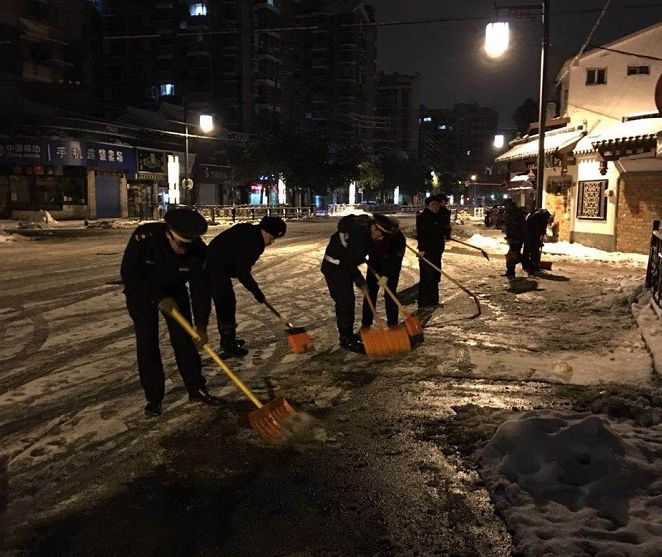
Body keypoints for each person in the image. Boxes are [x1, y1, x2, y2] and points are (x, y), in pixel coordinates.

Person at [120, 208, 221, 417]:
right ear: (169, 234)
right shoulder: (144, 238)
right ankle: (154, 398)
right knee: (147, 342)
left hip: (175, 289)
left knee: (185, 339)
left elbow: (201, 290)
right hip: (142, 292)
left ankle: (196, 388)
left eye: (188, 245)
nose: (184, 250)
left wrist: (201, 326)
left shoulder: (197, 251)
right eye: (181, 244)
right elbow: (130, 273)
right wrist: (157, 297)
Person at [206, 215, 286, 357]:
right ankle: (228, 345)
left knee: (227, 302)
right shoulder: (253, 244)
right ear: (264, 231)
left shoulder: (249, 232)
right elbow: (243, 272)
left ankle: (228, 340)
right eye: (272, 237)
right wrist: (257, 293)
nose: (272, 242)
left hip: (216, 265)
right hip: (213, 269)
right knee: (225, 303)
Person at [321, 213, 400, 353]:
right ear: (374, 228)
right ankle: (346, 338)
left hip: (344, 264)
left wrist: (383, 274)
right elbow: (349, 262)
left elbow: (355, 256)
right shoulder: (359, 237)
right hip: (335, 267)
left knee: (348, 301)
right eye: (381, 234)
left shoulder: (366, 231)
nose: (381, 238)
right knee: (345, 301)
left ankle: (347, 335)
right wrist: (361, 282)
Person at [361, 227, 406, 329]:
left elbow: (396, 259)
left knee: (390, 293)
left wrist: (386, 276)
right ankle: (366, 324)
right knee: (370, 293)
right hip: (374, 265)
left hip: (391, 265)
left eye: (374, 232)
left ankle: (393, 324)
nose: (371, 234)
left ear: (381, 231)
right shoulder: (369, 234)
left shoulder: (397, 238)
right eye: (371, 231)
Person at [416, 194, 451, 307]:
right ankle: (424, 302)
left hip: (437, 250)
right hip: (427, 251)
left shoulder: (438, 216)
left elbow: (443, 229)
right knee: (427, 277)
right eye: (433, 205)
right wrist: (421, 249)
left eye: (437, 205)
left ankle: (434, 300)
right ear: (427, 205)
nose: (435, 207)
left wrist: (446, 234)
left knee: (435, 276)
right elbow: (421, 235)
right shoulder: (423, 217)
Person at [502, 199, 527, 277]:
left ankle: (527, 263)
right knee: (512, 254)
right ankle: (510, 271)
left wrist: (517, 235)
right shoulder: (510, 212)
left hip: (517, 237)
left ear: (509, 205)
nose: (505, 207)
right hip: (512, 237)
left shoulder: (516, 213)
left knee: (513, 255)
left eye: (506, 205)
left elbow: (519, 225)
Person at [524, 208, 553, 274]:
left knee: (528, 250)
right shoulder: (543, 217)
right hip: (533, 235)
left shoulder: (535, 214)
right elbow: (542, 228)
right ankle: (533, 266)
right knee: (534, 251)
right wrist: (541, 236)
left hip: (528, 234)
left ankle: (527, 265)